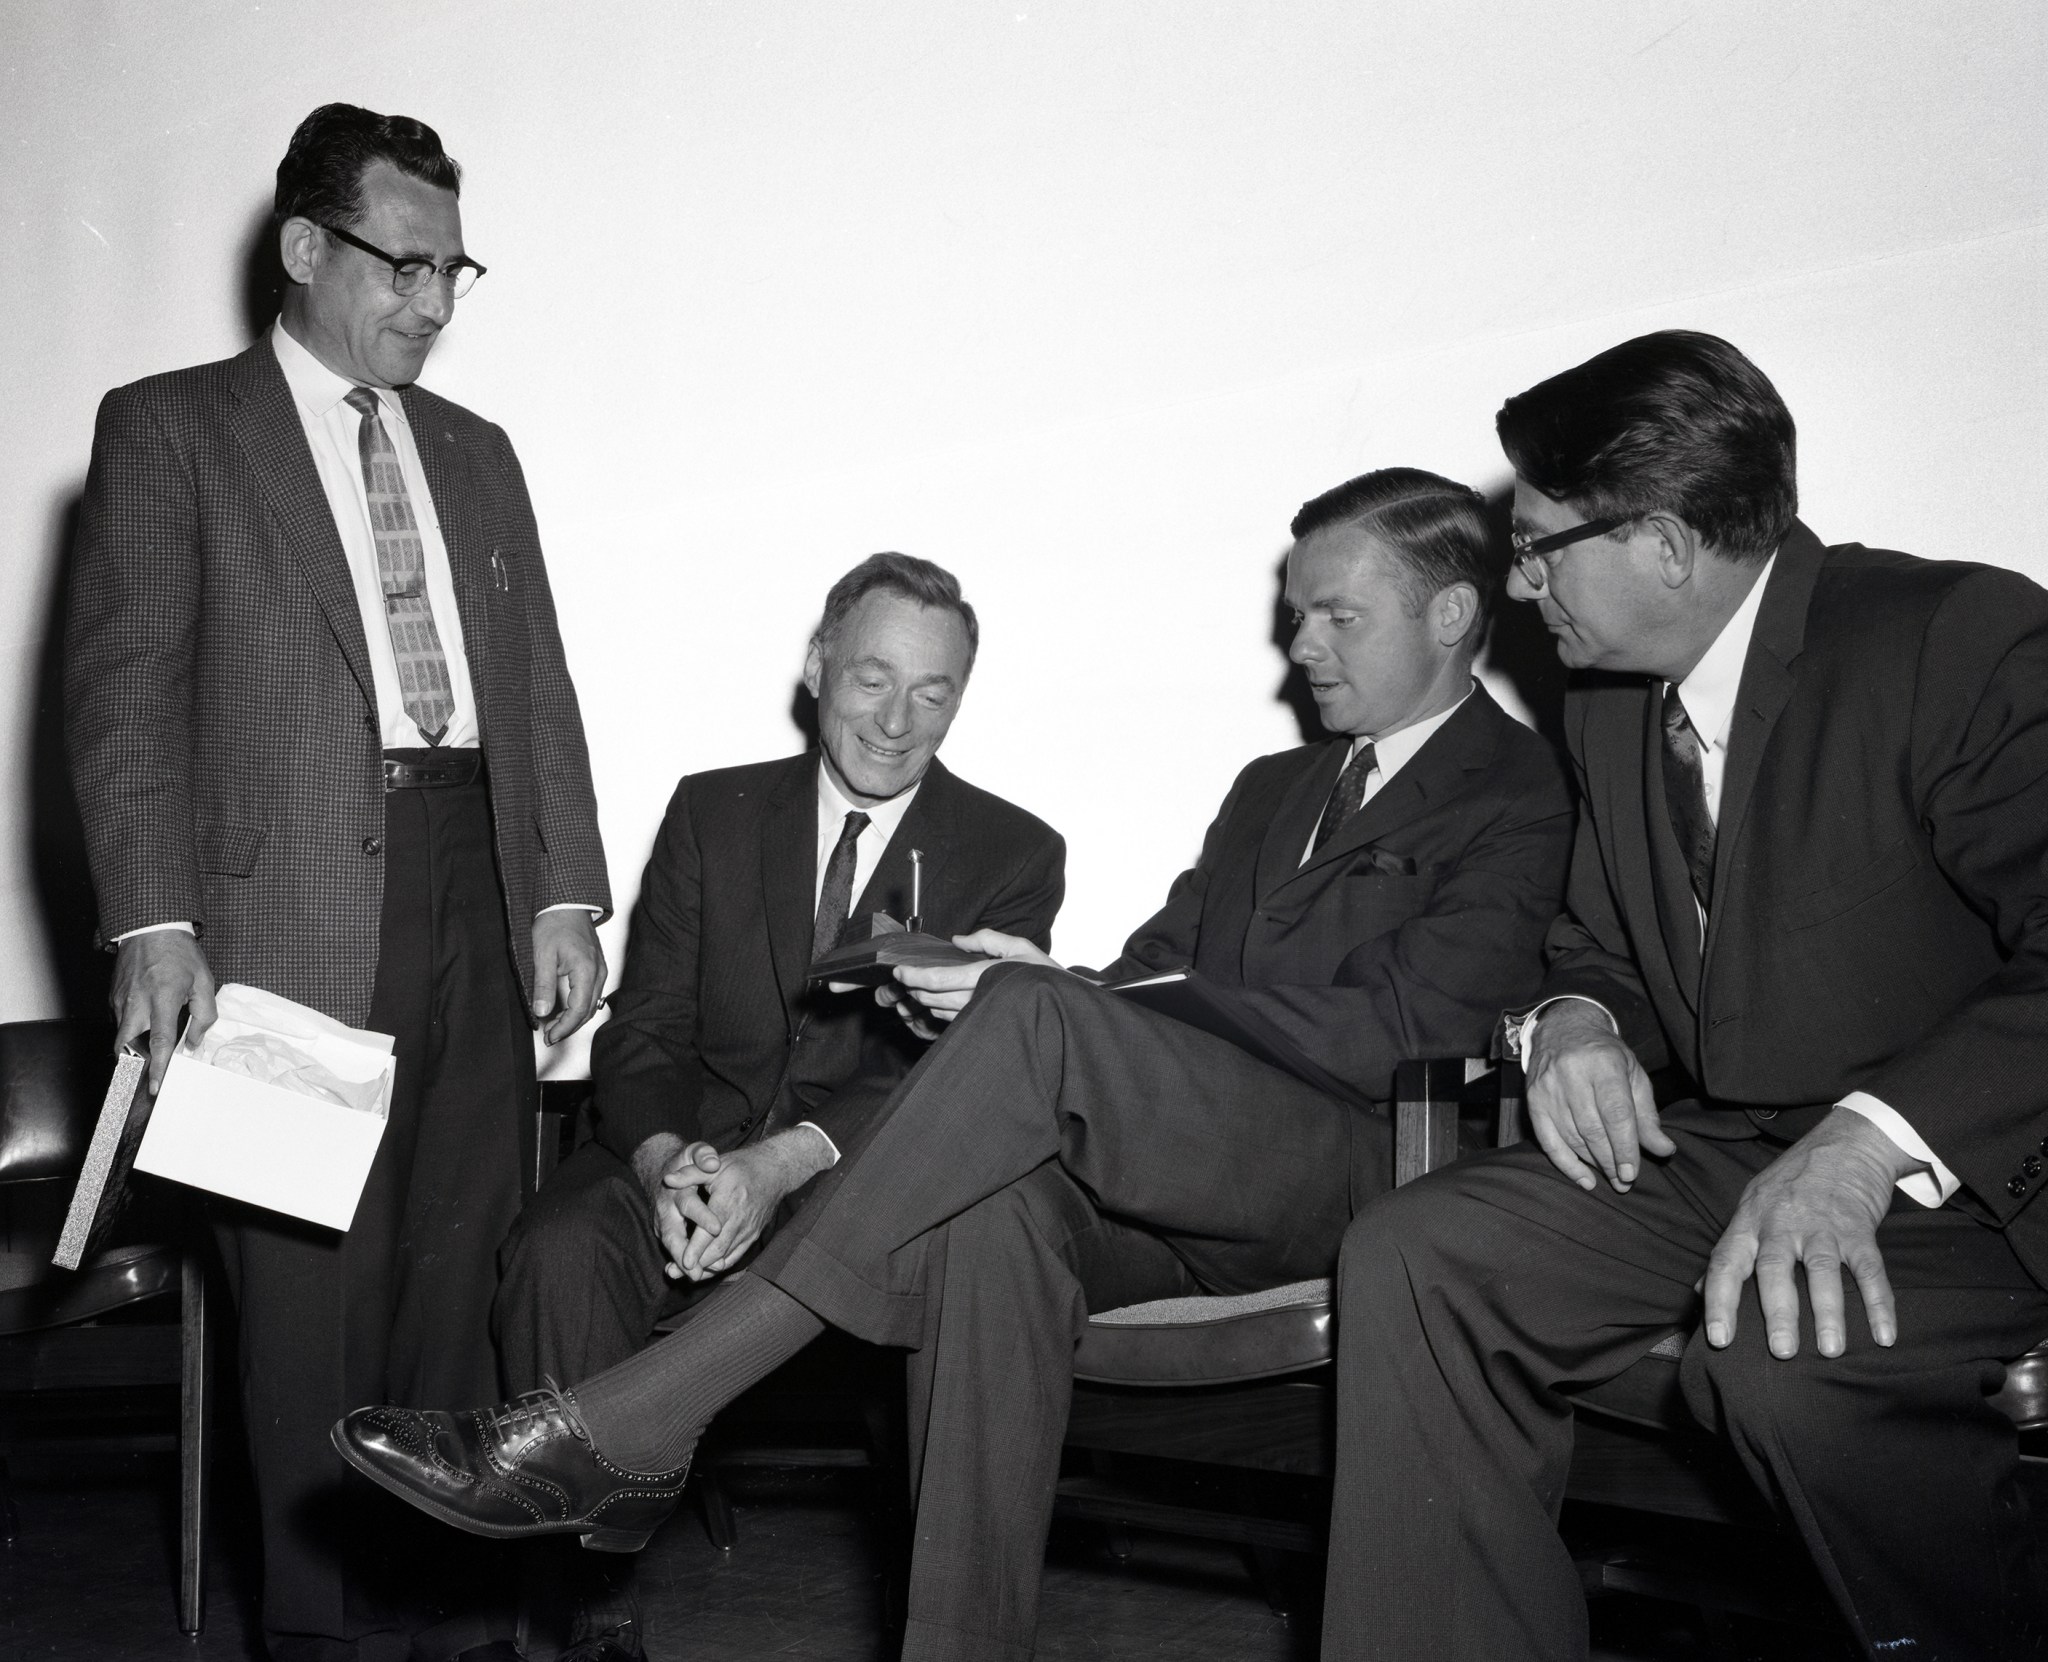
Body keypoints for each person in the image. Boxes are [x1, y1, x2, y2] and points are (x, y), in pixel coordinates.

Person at [334, 466, 1575, 1659]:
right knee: (991, 1220)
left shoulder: (1522, 788)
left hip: (1356, 1165)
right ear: (820, 667)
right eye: (1296, 612)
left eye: (1332, 616)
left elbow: (1415, 1022)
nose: (1296, 644)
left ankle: (634, 1416)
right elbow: (1148, 965)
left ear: (1451, 614)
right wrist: (1034, 988)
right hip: (1191, 1174)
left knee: (1033, 1015)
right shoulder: (1272, 786)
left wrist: (1046, 1004)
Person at [1318, 332, 2048, 1661]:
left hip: (1981, 1181)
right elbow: (1597, 946)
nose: (1519, 584)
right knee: (1420, 1251)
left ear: (1662, 541)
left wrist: (1865, 1143)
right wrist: (1576, 1023)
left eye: (1539, 547)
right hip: (1740, 1153)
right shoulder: (1610, 703)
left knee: (1782, 1354)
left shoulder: (1954, 636)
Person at [66, 104, 609, 1662]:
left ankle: (437, 1629)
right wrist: (152, 919)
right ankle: (317, 1642)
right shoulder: (172, 426)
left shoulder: (478, 454)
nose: (434, 302)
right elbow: (124, 690)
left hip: (471, 892)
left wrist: (562, 886)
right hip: (271, 928)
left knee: (456, 1297)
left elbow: (538, 686)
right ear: (306, 251)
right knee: (307, 1324)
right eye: (404, 264)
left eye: (456, 270)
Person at [493, 551, 1064, 1659]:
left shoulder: (1013, 853)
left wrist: (781, 1165)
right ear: (816, 667)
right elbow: (647, 1024)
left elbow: (946, 1083)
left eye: (933, 693)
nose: (897, 721)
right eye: (871, 679)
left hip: (866, 1182)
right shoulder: (714, 812)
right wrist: (665, 1163)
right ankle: (583, 1614)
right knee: (558, 1247)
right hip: (684, 1147)